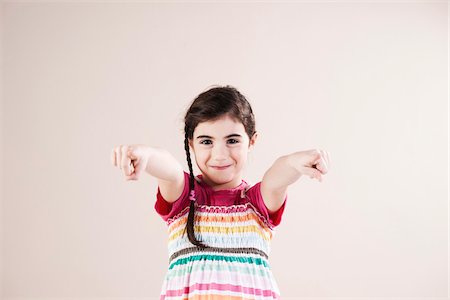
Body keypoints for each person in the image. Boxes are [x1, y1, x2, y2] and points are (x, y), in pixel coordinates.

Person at [111, 85, 330, 299]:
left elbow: (277, 176)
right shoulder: (184, 198)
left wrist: (294, 162)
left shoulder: (257, 203)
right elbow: (169, 170)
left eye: (232, 140)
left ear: (252, 141)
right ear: (191, 144)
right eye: (206, 141)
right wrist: (146, 154)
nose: (220, 154)